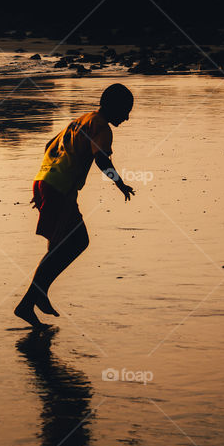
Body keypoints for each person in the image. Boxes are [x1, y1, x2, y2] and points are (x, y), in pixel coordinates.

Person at [15, 83, 136, 328]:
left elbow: (49, 143)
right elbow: (101, 158)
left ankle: (38, 296)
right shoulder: (101, 127)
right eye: (125, 110)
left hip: (47, 182)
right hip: (58, 188)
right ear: (113, 107)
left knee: (60, 244)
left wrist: (43, 182)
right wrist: (120, 183)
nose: (127, 116)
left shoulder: (82, 119)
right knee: (78, 241)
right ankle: (29, 301)